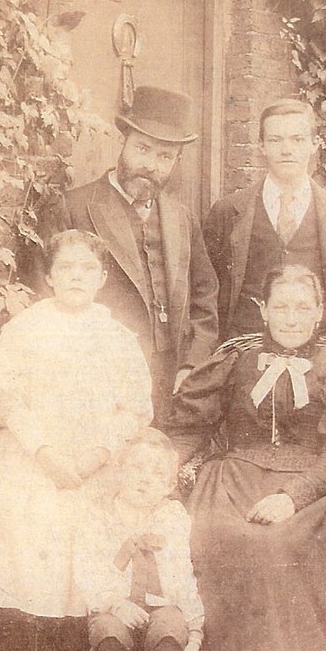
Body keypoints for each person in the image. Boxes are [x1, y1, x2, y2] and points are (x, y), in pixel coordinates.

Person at [166, 264, 326, 651]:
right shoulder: (237, 357)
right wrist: (161, 467)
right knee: (210, 534)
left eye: (303, 307)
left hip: (308, 485)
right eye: (281, 306)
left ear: (320, 312)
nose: (292, 318)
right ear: (263, 310)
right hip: (234, 474)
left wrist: (292, 497)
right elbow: (190, 424)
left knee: (274, 545)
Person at [0, 230, 153, 651]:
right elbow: (3, 398)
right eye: (66, 268)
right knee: (37, 563)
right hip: (35, 468)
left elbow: (137, 406)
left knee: (81, 565)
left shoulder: (116, 336)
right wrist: (46, 453)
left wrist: (99, 452)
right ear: (50, 277)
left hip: (93, 469)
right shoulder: (25, 330)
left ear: (101, 278)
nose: (76, 277)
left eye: (87, 269)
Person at [50, 86, 218, 423]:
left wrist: (191, 365)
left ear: (176, 161)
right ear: (121, 143)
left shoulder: (183, 219)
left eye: (164, 156)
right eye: (143, 149)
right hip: (99, 382)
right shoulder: (74, 208)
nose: (151, 166)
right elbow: (48, 301)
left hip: (171, 382)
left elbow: (205, 298)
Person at [74, 429, 204, 651]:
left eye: (158, 473)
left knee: (172, 628)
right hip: (115, 606)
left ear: (169, 485)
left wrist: (196, 627)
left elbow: (185, 574)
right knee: (106, 631)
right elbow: (88, 571)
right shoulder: (99, 516)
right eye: (138, 468)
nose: (146, 479)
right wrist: (115, 603)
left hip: (162, 606)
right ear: (120, 471)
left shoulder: (173, 517)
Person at [203, 98, 326, 345]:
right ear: (261, 146)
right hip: (246, 353)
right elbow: (206, 287)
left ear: (314, 144)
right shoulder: (227, 212)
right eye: (275, 140)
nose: (286, 149)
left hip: (320, 355)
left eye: (297, 139)